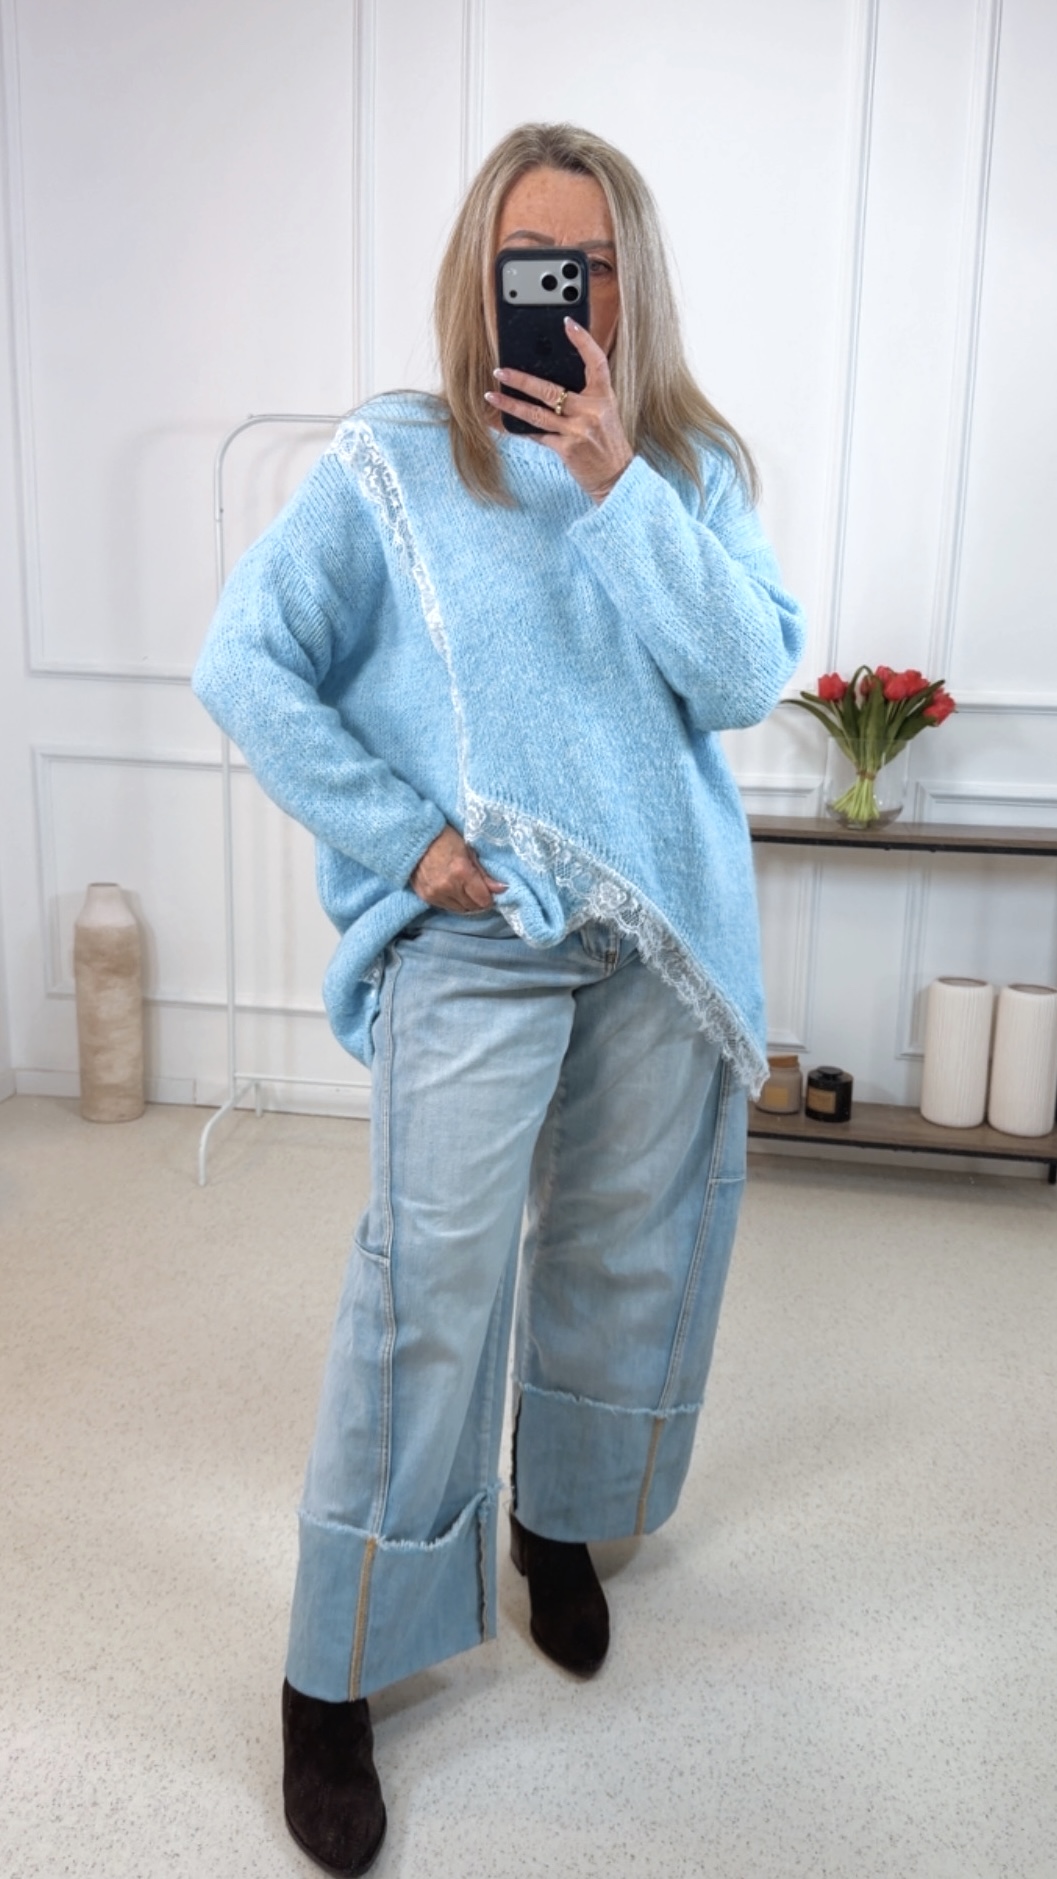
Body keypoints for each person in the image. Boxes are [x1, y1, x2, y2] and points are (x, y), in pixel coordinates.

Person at [193, 121, 804, 1878]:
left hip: (655, 934)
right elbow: (245, 662)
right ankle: (335, 1666)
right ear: (479, 274)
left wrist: (617, 483)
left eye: (585, 264)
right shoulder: (392, 463)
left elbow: (744, 676)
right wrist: (412, 844)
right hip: (475, 932)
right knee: (427, 1291)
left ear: (628, 279)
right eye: (525, 261)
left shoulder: (687, 465)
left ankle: (560, 1523)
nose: (555, 291)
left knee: (625, 1250)